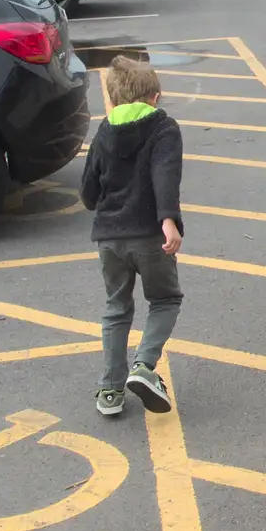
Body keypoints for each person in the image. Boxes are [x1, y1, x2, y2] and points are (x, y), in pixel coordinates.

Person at [80, 55, 184, 418]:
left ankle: (110, 390)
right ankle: (144, 366)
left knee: (116, 308)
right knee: (166, 300)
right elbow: (164, 176)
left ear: (114, 98)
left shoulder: (105, 130)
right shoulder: (164, 129)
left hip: (109, 238)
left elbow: (88, 191)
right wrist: (168, 220)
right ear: (155, 96)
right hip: (148, 236)